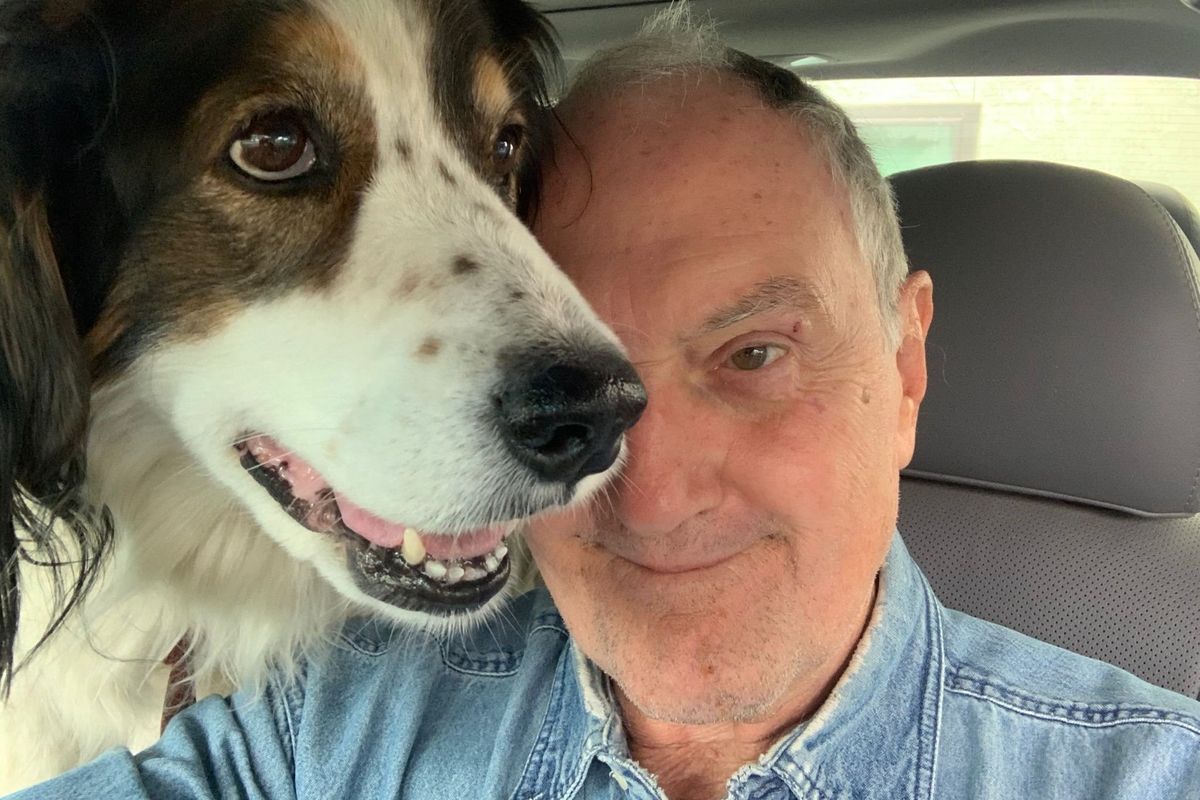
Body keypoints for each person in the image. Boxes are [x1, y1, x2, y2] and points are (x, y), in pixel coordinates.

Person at [7, 10, 1200, 800]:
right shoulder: (327, 723)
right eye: (581, 407)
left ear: (905, 369)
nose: (645, 485)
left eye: (755, 353)